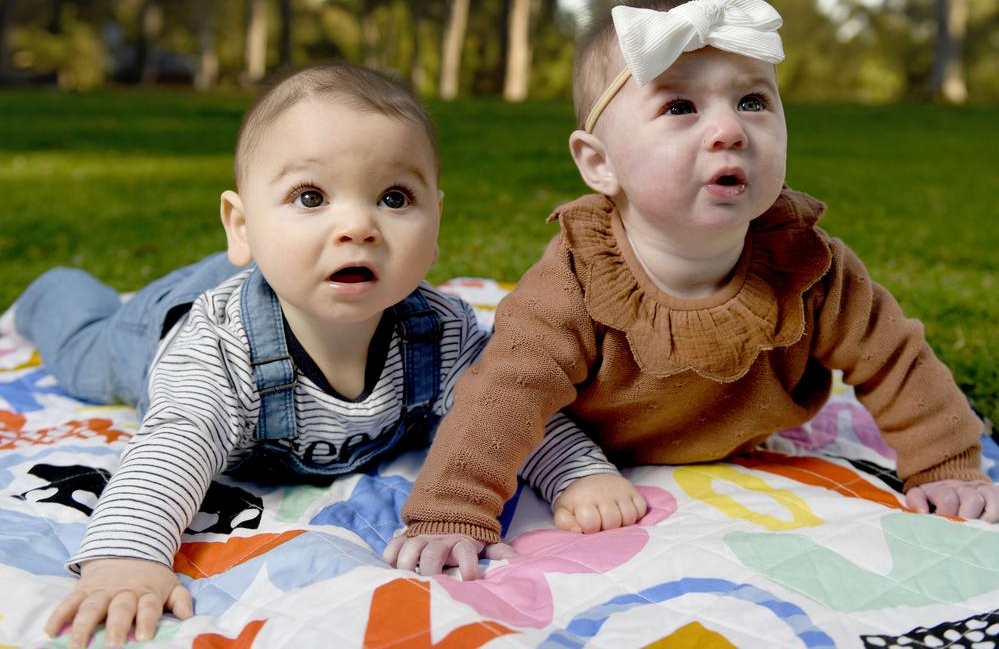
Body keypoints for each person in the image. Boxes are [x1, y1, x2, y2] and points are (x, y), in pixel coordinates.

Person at [385, 0, 999, 577]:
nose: (730, 130)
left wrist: (945, 463)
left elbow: (895, 356)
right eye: (681, 106)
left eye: (753, 101)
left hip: (742, 439)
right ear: (599, 164)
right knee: (502, 382)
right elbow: (507, 392)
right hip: (588, 439)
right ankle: (572, 473)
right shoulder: (578, 278)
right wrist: (451, 510)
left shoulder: (809, 264)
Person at [7, 62, 623, 648]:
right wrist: (126, 558)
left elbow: (502, 408)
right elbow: (173, 444)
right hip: (160, 328)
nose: (358, 225)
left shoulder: (439, 333)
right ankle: (56, 288)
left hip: (285, 272)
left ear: (437, 223)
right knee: (84, 347)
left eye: (394, 198)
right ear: (241, 226)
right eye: (310, 197)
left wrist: (578, 471)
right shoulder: (218, 350)